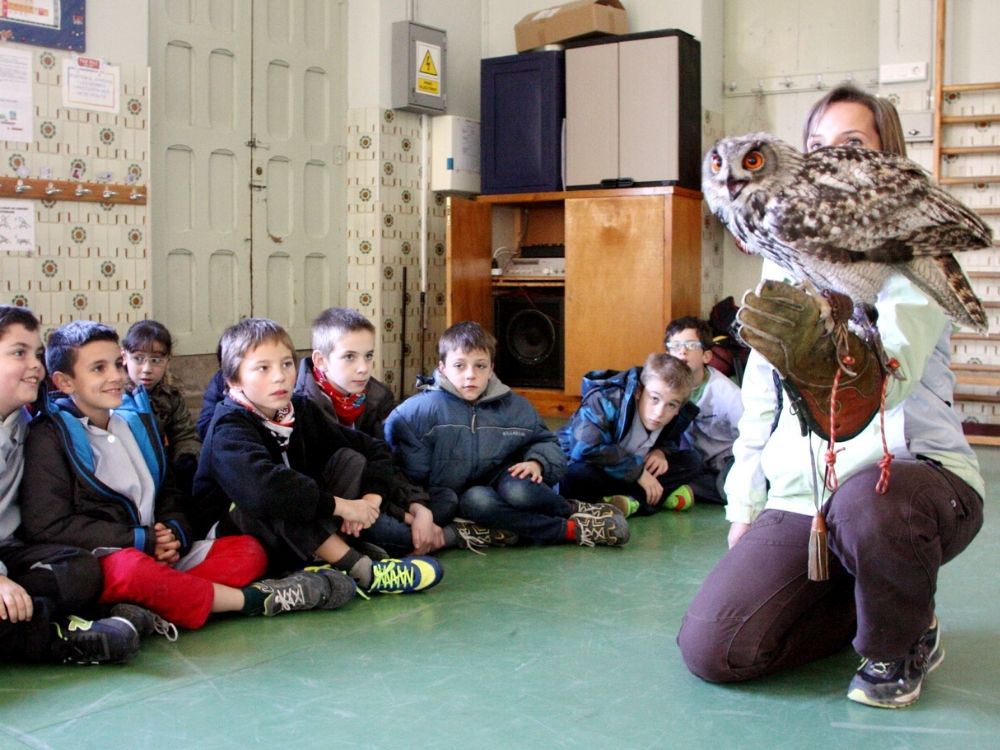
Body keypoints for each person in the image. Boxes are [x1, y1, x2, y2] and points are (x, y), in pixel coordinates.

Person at [677, 84, 984, 709]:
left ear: (883, 156)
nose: (827, 160)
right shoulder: (780, 254)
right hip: (805, 492)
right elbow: (760, 391)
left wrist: (839, 359)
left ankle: (901, 640)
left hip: (907, 478)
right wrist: (745, 501)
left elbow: (889, 377)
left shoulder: (907, 261)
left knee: (867, 508)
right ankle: (881, 598)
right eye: (815, 146)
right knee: (714, 647)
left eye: (850, 146)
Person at [18, 320, 353, 635]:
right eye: (98, 369)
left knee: (248, 551)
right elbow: (47, 525)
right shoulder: (50, 436)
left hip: (162, 554)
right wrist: (141, 539)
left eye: (118, 365)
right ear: (64, 382)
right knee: (133, 570)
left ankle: (148, 607)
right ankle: (257, 601)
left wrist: (174, 532)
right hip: (113, 556)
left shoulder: (133, 421)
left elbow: (169, 489)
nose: (117, 376)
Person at [193, 317, 442, 594]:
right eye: (263, 368)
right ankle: (364, 571)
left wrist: (370, 500)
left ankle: (326, 553)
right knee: (277, 493)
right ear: (234, 380)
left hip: (300, 529)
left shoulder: (299, 410)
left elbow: (375, 449)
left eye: (286, 364)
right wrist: (342, 507)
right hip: (232, 536)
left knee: (350, 459)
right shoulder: (229, 426)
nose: (279, 376)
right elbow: (265, 490)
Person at [385, 321, 629, 548]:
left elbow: (548, 443)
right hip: (454, 498)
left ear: (491, 368)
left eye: (480, 366)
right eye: (459, 365)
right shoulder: (414, 413)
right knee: (474, 501)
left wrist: (537, 462)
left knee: (519, 490)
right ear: (442, 367)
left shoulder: (515, 406)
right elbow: (403, 471)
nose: (470, 374)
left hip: (504, 482)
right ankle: (570, 531)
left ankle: (569, 509)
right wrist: (421, 506)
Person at [295, 307, 504, 555]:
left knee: (445, 499)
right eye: (350, 357)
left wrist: (416, 507)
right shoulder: (301, 404)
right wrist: (382, 512)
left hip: (374, 495)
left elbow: (387, 461)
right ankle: (449, 535)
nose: (363, 368)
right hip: (331, 507)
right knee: (396, 532)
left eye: (369, 356)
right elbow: (309, 483)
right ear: (321, 361)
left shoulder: (376, 396)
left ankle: (414, 533)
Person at [0, 307, 141, 664]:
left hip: (11, 549)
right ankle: (54, 636)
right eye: (19, 353)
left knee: (80, 568)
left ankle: (32, 623)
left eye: (37, 354)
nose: (36, 365)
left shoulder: (25, 418)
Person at [559, 353, 701, 516]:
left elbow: (670, 439)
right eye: (654, 398)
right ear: (639, 391)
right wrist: (637, 472)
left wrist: (662, 451)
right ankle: (653, 497)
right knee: (575, 475)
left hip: (631, 471)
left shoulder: (677, 415)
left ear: (678, 408)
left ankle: (628, 501)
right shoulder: (604, 398)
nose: (659, 412)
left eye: (671, 405)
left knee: (692, 461)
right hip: (594, 468)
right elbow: (584, 449)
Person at [664, 316, 743, 504]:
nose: (682, 351)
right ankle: (692, 488)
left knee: (732, 488)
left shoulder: (727, 394)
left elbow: (751, 439)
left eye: (691, 345)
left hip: (728, 460)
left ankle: (692, 489)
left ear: (706, 356)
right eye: (675, 346)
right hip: (695, 460)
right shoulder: (664, 387)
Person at [122, 320, 201, 497]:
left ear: (167, 361)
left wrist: (185, 457)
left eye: (156, 360)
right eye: (138, 359)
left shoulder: (170, 397)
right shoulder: (116, 395)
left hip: (162, 471)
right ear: (124, 357)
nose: (147, 369)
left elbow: (185, 435)